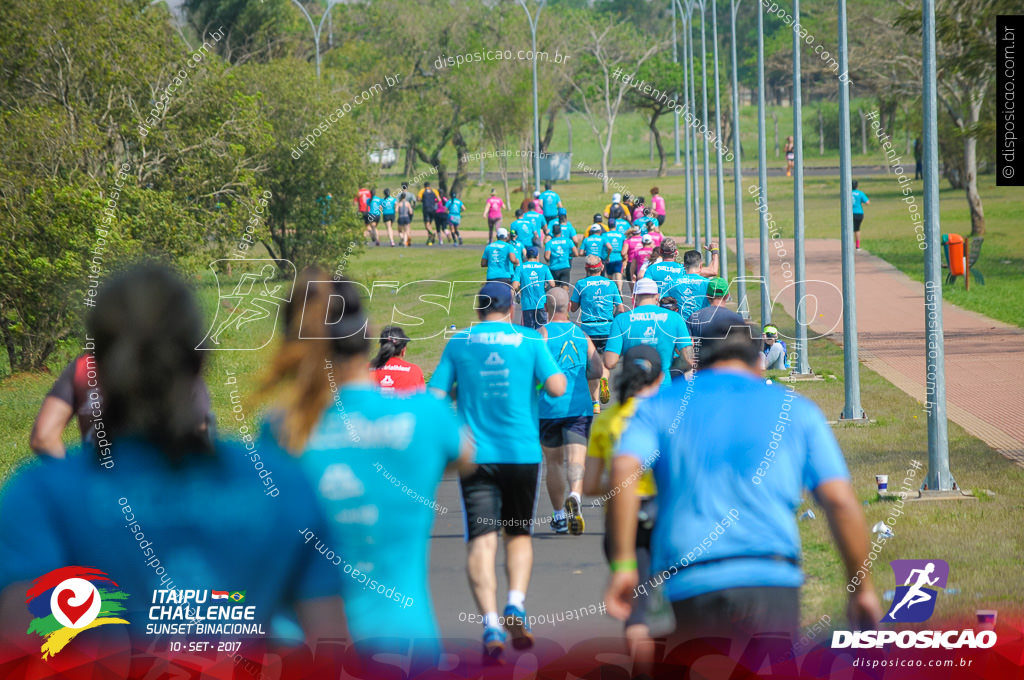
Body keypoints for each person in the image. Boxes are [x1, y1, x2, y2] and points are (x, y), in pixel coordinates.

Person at [0, 265, 345, 650]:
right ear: (200, 360)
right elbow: (331, 648)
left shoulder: (40, 498)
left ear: (97, 367)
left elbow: (19, 651)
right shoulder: (282, 485)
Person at [605, 324, 882, 652]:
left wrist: (624, 564)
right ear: (757, 362)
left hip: (693, 579)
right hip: (770, 574)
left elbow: (623, 466)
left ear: (701, 361)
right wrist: (860, 587)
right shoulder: (796, 409)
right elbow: (838, 499)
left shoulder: (661, 406)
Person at [260, 270, 472, 663]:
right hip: (404, 647)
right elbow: (465, 455)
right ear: (366, 333)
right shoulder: (426, 417)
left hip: (303, 649)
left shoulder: (279, 428)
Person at [428, 282, 566, 658]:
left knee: (482, 538)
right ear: (511, 309)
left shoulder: (460, 342)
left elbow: (435, 395)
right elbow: (556, 387)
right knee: (518, 535)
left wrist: (462, 389)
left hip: (475, 454)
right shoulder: (530, 340)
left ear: (478, 310)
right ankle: (516, 604)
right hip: (521, 453)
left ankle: (490, 623)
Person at [583, 344, 662, 673]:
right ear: (659, 379)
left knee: (637, 612)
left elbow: (588, 486)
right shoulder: (668, 417)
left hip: (621, 524)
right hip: (668, 516)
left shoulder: (607, 422)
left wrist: (620, 483)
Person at [30, 354, 212, 459]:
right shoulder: (172, 362)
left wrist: (79, 480)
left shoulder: (84, 367)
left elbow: (43, 438)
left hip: (99, 502)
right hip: (163, 500)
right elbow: (198, 435)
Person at [538, 288, 603, 535]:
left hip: (548, 407)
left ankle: (558, 517)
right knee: (577, 458)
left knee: (553, 463)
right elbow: (597, 369)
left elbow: (531, 369)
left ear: (546, 307)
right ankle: (574, 495)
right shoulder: (581, 334)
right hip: (578, 407)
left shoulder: (540, 335)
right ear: (567, 307)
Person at [603, 278, 694, 387]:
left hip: (633, 388)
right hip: (662, 387)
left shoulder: (621, 320)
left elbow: (610, 362)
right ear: (657, 297)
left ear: (634, 298)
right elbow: (689, 358)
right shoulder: (675, 318)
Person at [570, 256, 626, 413]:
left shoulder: (581, 284)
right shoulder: (611, 284)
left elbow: (573, 308)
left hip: (588, 330)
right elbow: (620, 309)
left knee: (591, 365)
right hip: (607, 328)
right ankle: (604, 379)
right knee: (605, 364)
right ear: (601, 268)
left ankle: (595, 403)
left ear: (586, 269)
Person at [686, 277, 746, 344]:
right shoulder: (736, 319)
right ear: (727, 296)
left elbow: (686, 345)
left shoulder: (694, 318)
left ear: (707, 295)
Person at [371, 325, 426, 392]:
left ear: (382, 347)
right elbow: (421, 399)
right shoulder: (415, 371)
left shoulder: (365, 369)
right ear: (403, 350)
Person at [665, 250, 712, 323]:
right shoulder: (708, 283)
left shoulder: (672, 283)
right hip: (702, 326)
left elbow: (663, 303)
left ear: (684, 265)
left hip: (681, 326)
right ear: (701, 266)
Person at [517, 247, 554, 330]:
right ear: (537, 256)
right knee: (542, 330)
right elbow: (552, 284)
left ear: (526, 256)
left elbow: (515, 285)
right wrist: (545, 287)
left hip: (527, 304)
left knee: (528, 331)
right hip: (541, 303)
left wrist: (518, 292)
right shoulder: (544, 267)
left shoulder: (520, 267)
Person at [544, 223, 577, 288]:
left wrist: (550, 259)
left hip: (554, 268)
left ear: (553, 232)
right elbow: (576, 253)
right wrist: (568, 255)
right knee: (565, 286)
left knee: (555, 288)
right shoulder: (568, 241)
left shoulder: (549, 243)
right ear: (560, 232)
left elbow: (547, 257)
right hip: (565, 266)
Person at [601, 224, 627, 289]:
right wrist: (624, 258)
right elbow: (624, 245)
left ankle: (612, 290)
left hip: (609, 258)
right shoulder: (621, 235)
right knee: (618, 275)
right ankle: (620, 290)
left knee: (610, 276)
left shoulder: (604, 235)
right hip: (618, 257)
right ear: (615, 226)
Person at [851, 180, 870, 251]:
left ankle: (849, 245)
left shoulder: (847, 193)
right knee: (857, 229)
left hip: (850, 214)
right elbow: (867, 202)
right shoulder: (860, 193)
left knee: (849, 229)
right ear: (857, 186)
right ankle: (857, 246)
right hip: (859, 213)